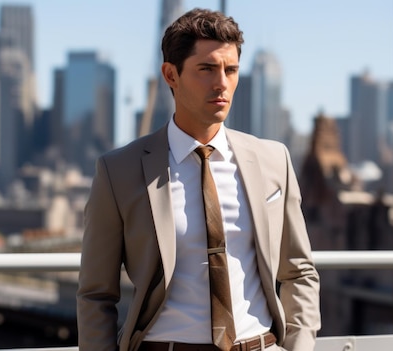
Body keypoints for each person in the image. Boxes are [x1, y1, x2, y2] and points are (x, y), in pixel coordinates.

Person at [77, 8, 320, 351]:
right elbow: (96, 294)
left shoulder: (273, 160)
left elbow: (299, 272)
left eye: (231, 69)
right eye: (206, 69)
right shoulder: (119, 171)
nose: (221, 82)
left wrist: (299, 346)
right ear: (170, 75)